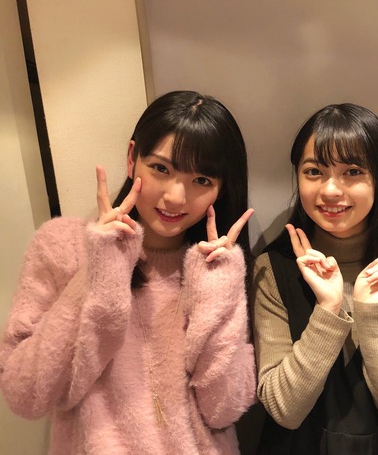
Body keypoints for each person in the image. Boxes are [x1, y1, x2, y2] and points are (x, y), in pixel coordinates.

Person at [0, 90, 256, 454]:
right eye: (161, 169)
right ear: (132, 157)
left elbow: (223, 409)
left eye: (201, 180)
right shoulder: (61, 246)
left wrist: (218, 290)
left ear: (221, 188)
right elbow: (25, 395)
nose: (175, 197)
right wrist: (99, 272)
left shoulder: (218, 269)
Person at [253, 103, 378, 454]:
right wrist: (328, 309)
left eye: (352, 172)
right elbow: (283, 409)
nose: (330, 190)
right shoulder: (274, 269)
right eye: (314, 172)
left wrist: (373, 317)